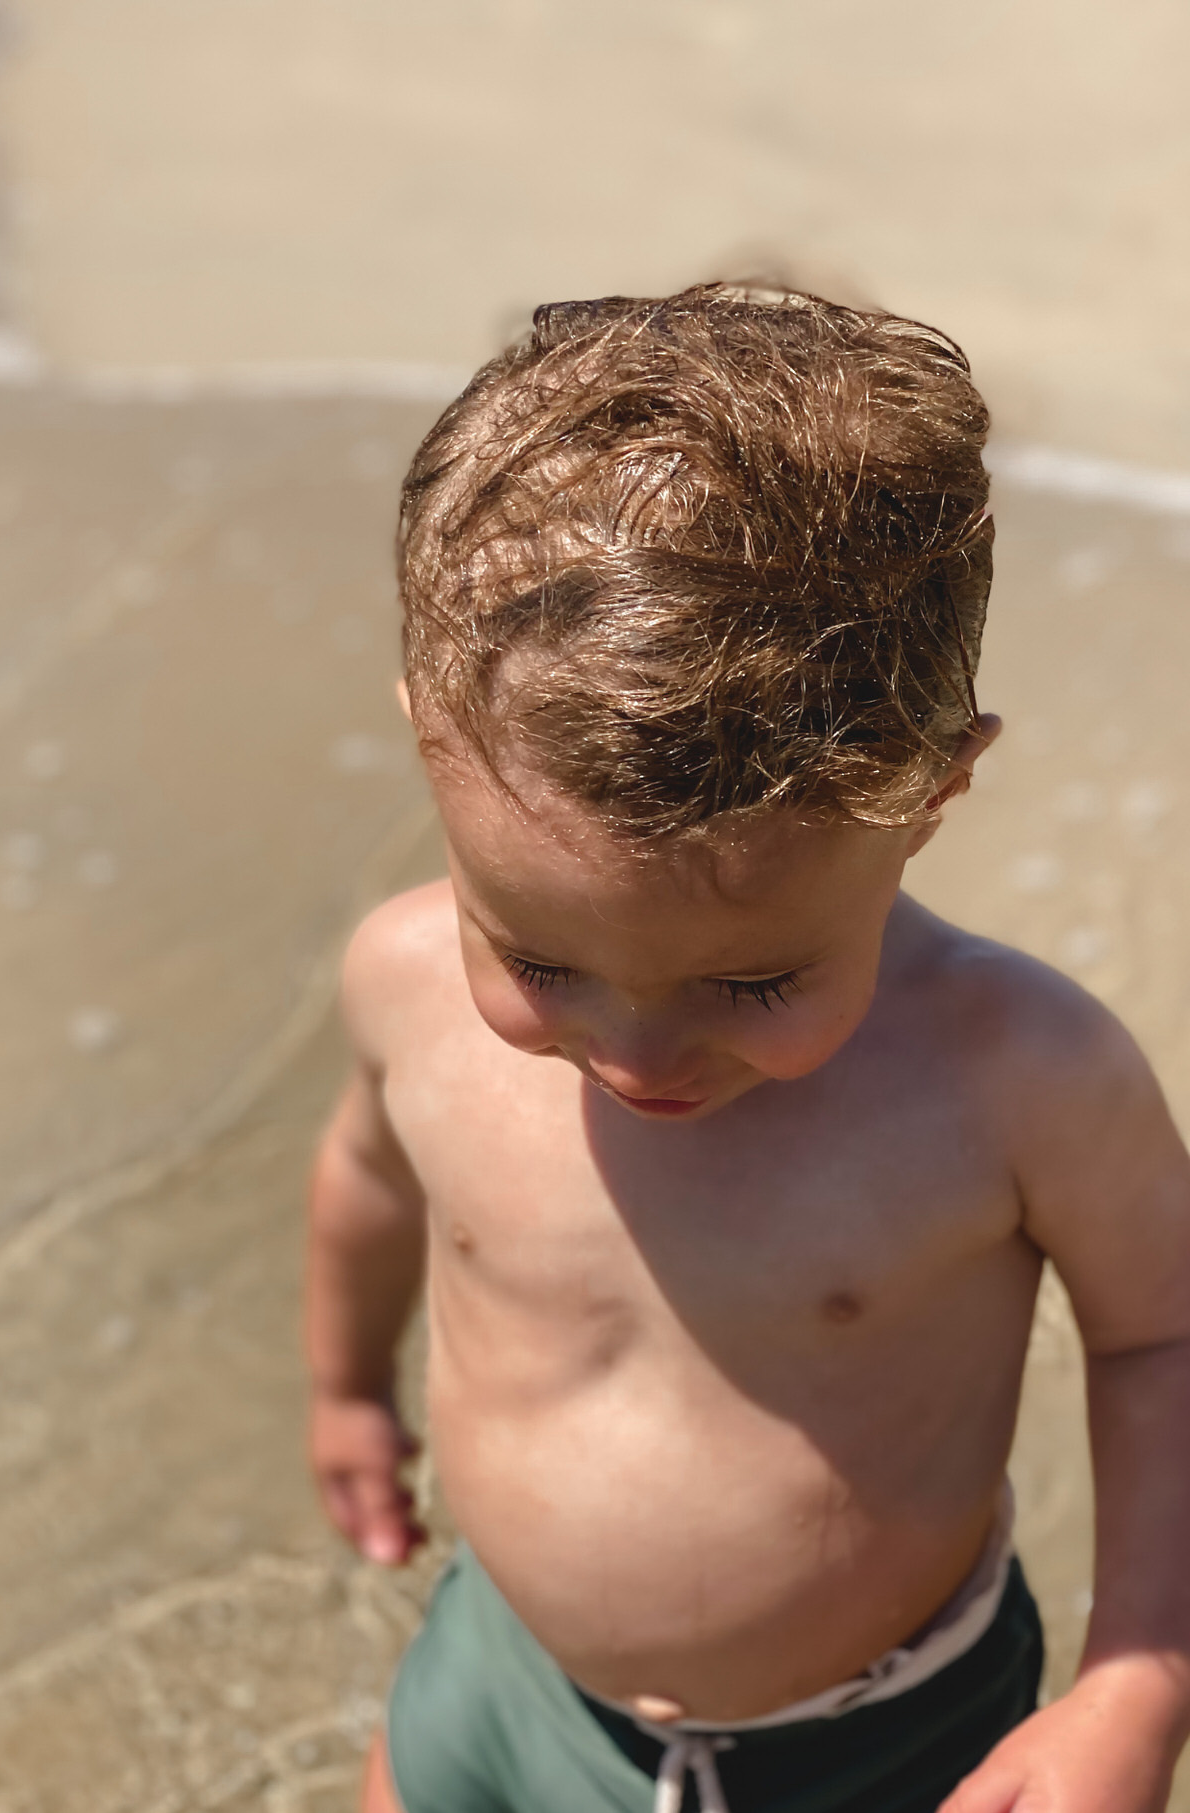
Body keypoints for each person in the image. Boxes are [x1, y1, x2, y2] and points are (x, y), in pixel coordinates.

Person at [305, 284, 1190, 1813]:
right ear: (427, 737)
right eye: (541, 960)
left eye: (758, 978)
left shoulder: (1019, 1076)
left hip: (885, 1742)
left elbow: (1164, 1336)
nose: (637, 1047)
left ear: (927, 795)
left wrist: (1141, 1674)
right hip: (503, 1680)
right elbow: (372, 1179)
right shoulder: (402, 980)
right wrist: (345, 1385)